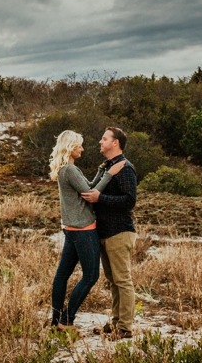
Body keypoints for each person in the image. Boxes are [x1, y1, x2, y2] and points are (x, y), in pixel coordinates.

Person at [49, 130, 126, 330]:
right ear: (71, 147)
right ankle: (66, 321)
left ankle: (56, 320)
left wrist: (101, 171)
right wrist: (110, 173)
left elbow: (88, 186)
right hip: (83, 229)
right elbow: (91, 193)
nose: (82, 149)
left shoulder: (67, 169)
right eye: (79, 146)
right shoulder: (70, 170)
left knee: (62, 275)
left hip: (71, 228)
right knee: (91, 276)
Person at [82, 127, 137, 339]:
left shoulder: (125, 168)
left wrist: (100, 199)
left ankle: (125, 328)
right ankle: (116, 323)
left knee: (122, 280)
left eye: (104, 139)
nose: (100, 142)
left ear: (115, 143)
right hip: (104, 232)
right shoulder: (108, 166)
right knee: (113, 280)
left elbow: (130, 200)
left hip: (119, 231)